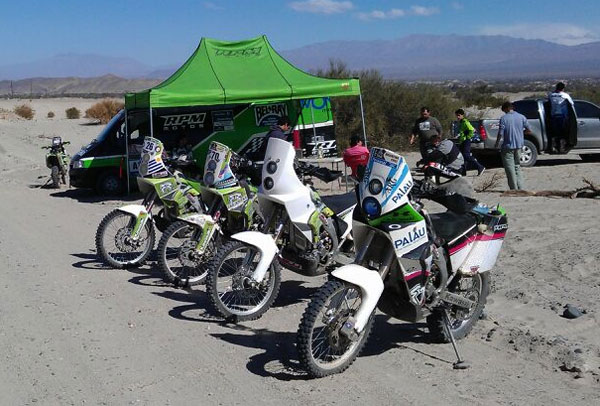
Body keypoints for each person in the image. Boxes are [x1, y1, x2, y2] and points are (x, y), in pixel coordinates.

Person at [495, 101, 532, 190]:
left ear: (506, 109)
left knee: (509, 168)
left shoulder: (504, 118)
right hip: (519, 145)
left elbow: (500, 133)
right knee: (517, 166)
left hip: (508, 146)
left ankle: (513, 188)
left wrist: (497, 143)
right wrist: (521, 133)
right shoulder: (521, 117)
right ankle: (521, 187)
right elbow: (529, 130)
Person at [455, 109, 485, 176]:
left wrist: (468, 137)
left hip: (466, 141)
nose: (457, 117)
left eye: (459, 115)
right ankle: (463, 172)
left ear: (462, 115)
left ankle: (480, 167)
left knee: (466, 155)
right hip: (462, 141)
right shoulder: (461, 122)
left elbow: (472, 130)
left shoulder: (465, 122)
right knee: (462, 157)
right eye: (456, 115)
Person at [548, 82, 574, 153]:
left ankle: (554, 147)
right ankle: (562, 148)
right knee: (563, 132)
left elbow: (548, 102)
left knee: (555, 132)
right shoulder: (565, 95)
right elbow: (572, 104)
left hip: (553, 116)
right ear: (563, 88)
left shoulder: (551, 95)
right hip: (562, 116)